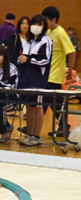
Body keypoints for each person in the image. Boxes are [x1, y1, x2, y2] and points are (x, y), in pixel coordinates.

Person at [18, 14, 52, 146]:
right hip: (25, 79)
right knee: (29, 107)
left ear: (44, 27)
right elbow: (21, 57)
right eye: (34, 23)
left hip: (38, 80)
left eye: (40, 24)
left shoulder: (46, 41)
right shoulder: (27, 41)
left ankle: (36, 136)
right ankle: (29, 135)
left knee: (37, 107)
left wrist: (29, 60)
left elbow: (46, 60)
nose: (36, 26)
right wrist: (20, 60)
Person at [41, 7, 76, 135]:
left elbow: (72, 52)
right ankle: (64, 127)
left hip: (54, 75)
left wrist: (70, 70)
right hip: (47, 74)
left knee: (44, 102)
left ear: (53, 19)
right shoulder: (49, 32)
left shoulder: (61, 33)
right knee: (55, 102)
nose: (43, 23)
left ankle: (32, 130)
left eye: (45, 20)